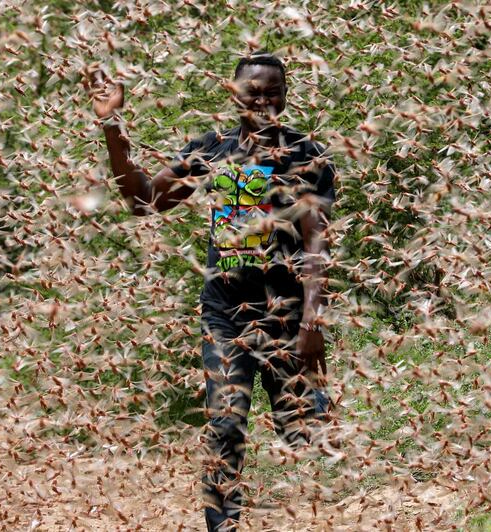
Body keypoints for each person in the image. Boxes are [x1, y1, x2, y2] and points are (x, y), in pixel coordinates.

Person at [83, 51, 335, 531]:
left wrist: (312, 320)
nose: (261, 99)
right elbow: (143, 201)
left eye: (272, 90)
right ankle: (223, 526)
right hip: (225, 315)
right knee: (225, 425)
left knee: (305, 433)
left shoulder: (309, 156)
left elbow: (316, 241)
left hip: (286, 314)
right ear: (233, 94)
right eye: (251, 91)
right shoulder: (214, 150)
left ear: (285, 95)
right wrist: (112, 123)